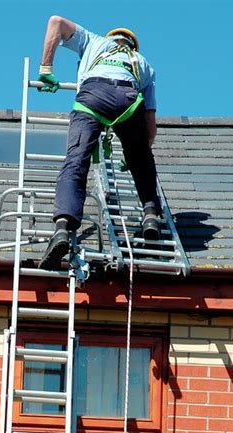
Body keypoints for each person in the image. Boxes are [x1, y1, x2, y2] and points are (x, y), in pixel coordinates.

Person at [37, 16, 162, 270]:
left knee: (76, 161)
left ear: (111, 38)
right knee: (142, 158)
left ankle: (62, 228)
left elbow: (56, 22)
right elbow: (150, 122)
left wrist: (46, 68)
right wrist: (137, 148)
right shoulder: (143, 64)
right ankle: (150, 215)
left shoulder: (94, 42)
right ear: (132, 46)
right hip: (128, 100)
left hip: (92, 98)